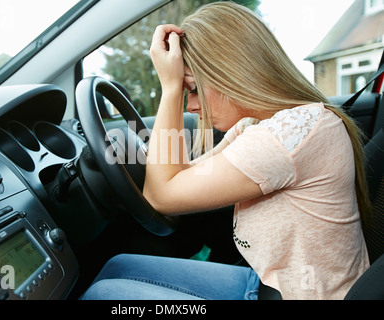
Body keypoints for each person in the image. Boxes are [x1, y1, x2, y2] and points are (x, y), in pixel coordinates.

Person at [83, 1, 371, 300]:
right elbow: (184, 176)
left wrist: (170, 88)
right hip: (268, 285)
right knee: (119, 267)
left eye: (192, 89)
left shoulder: (289, 135)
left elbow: (160, 197)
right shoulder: (256, 127)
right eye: (184, 92)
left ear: (233, 73)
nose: (191, 107)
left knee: (105, 295)